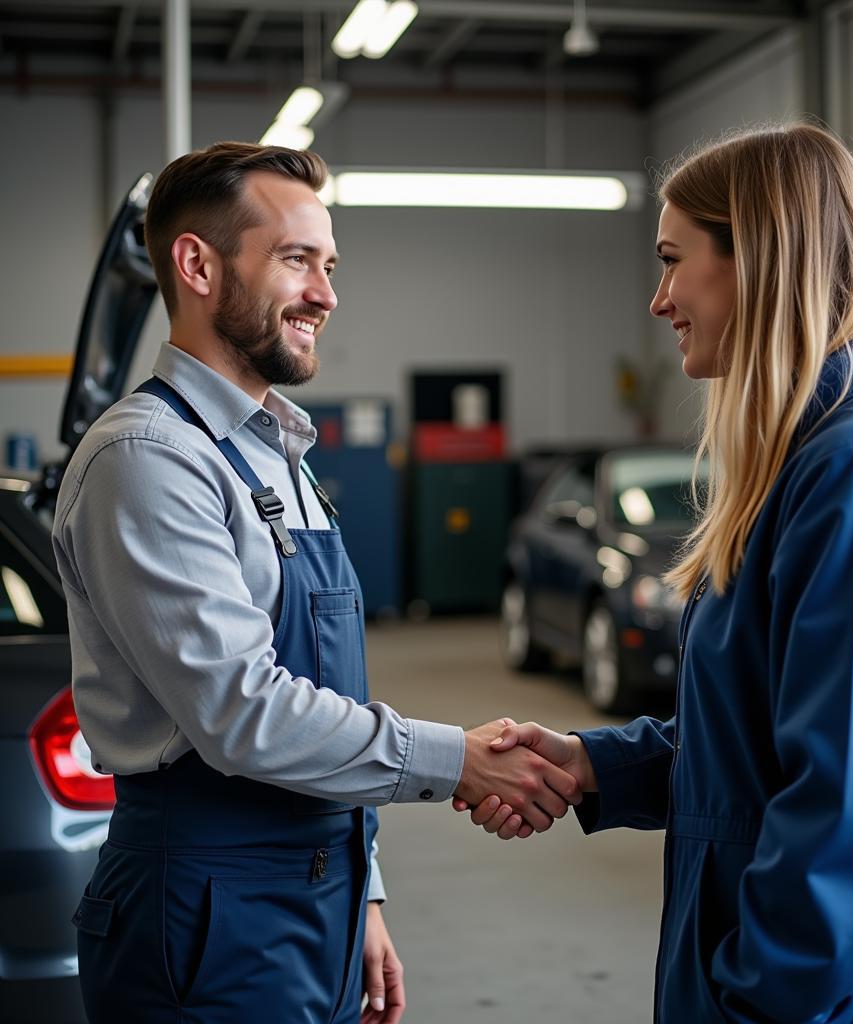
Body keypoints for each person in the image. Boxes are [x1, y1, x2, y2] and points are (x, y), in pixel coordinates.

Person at [460, 124, 853, 1023]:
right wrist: (594, 765)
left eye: (674, 260)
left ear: (757, 259)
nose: (658, 297)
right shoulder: (800, 467)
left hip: (822, 999)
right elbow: (752, 739)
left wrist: (754, 999)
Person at [52, 142, 580, 1024]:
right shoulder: (147, 459)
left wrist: (359, 891)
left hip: (313, 897)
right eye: (297, 260)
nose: (327, 295)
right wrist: (458, 761)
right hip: (204, 909)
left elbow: (328, 690)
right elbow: (241, 712)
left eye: (328, 266)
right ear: (197, 265)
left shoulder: (279, 454)